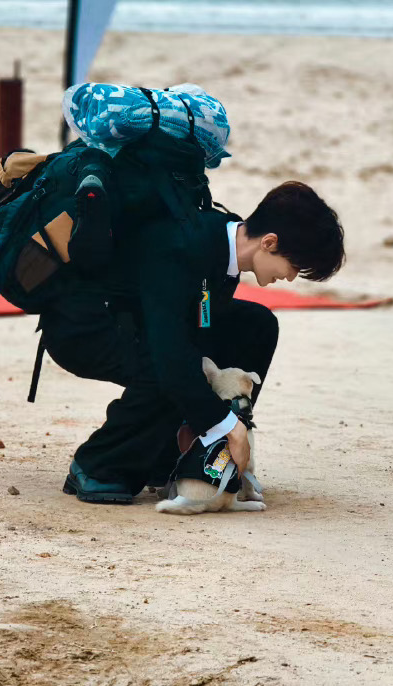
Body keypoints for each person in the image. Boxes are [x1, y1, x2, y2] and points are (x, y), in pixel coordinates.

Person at [40, 180, 345, 503]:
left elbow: (198, 322)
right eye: (295, 266)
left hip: (136, 321)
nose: (292, 277)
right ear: (269, 242)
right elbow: (171, 355)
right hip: (83, 327)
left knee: (257, 325)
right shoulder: (184, 247)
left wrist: (214, 417)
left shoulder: (221, 247)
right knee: (170, 367)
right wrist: (225, 424)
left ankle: (178, 459)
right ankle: (97, 464)